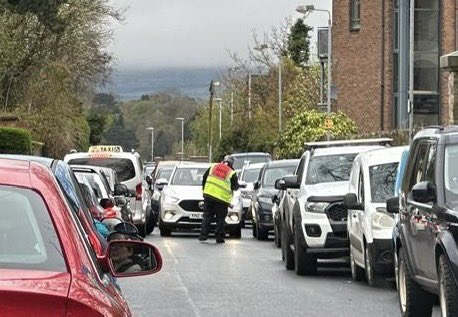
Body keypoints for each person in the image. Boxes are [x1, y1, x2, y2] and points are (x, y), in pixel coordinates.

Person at [199, 155, 239, 243]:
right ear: (232, 163)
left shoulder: (213, 167)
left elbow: (204, 178)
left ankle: (203, 235)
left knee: (207, 216)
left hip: (208, 195)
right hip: (221, 199)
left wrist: (204, 190)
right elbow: (235, 187)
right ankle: (219, 237)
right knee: (220, 219)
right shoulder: (231, 173)